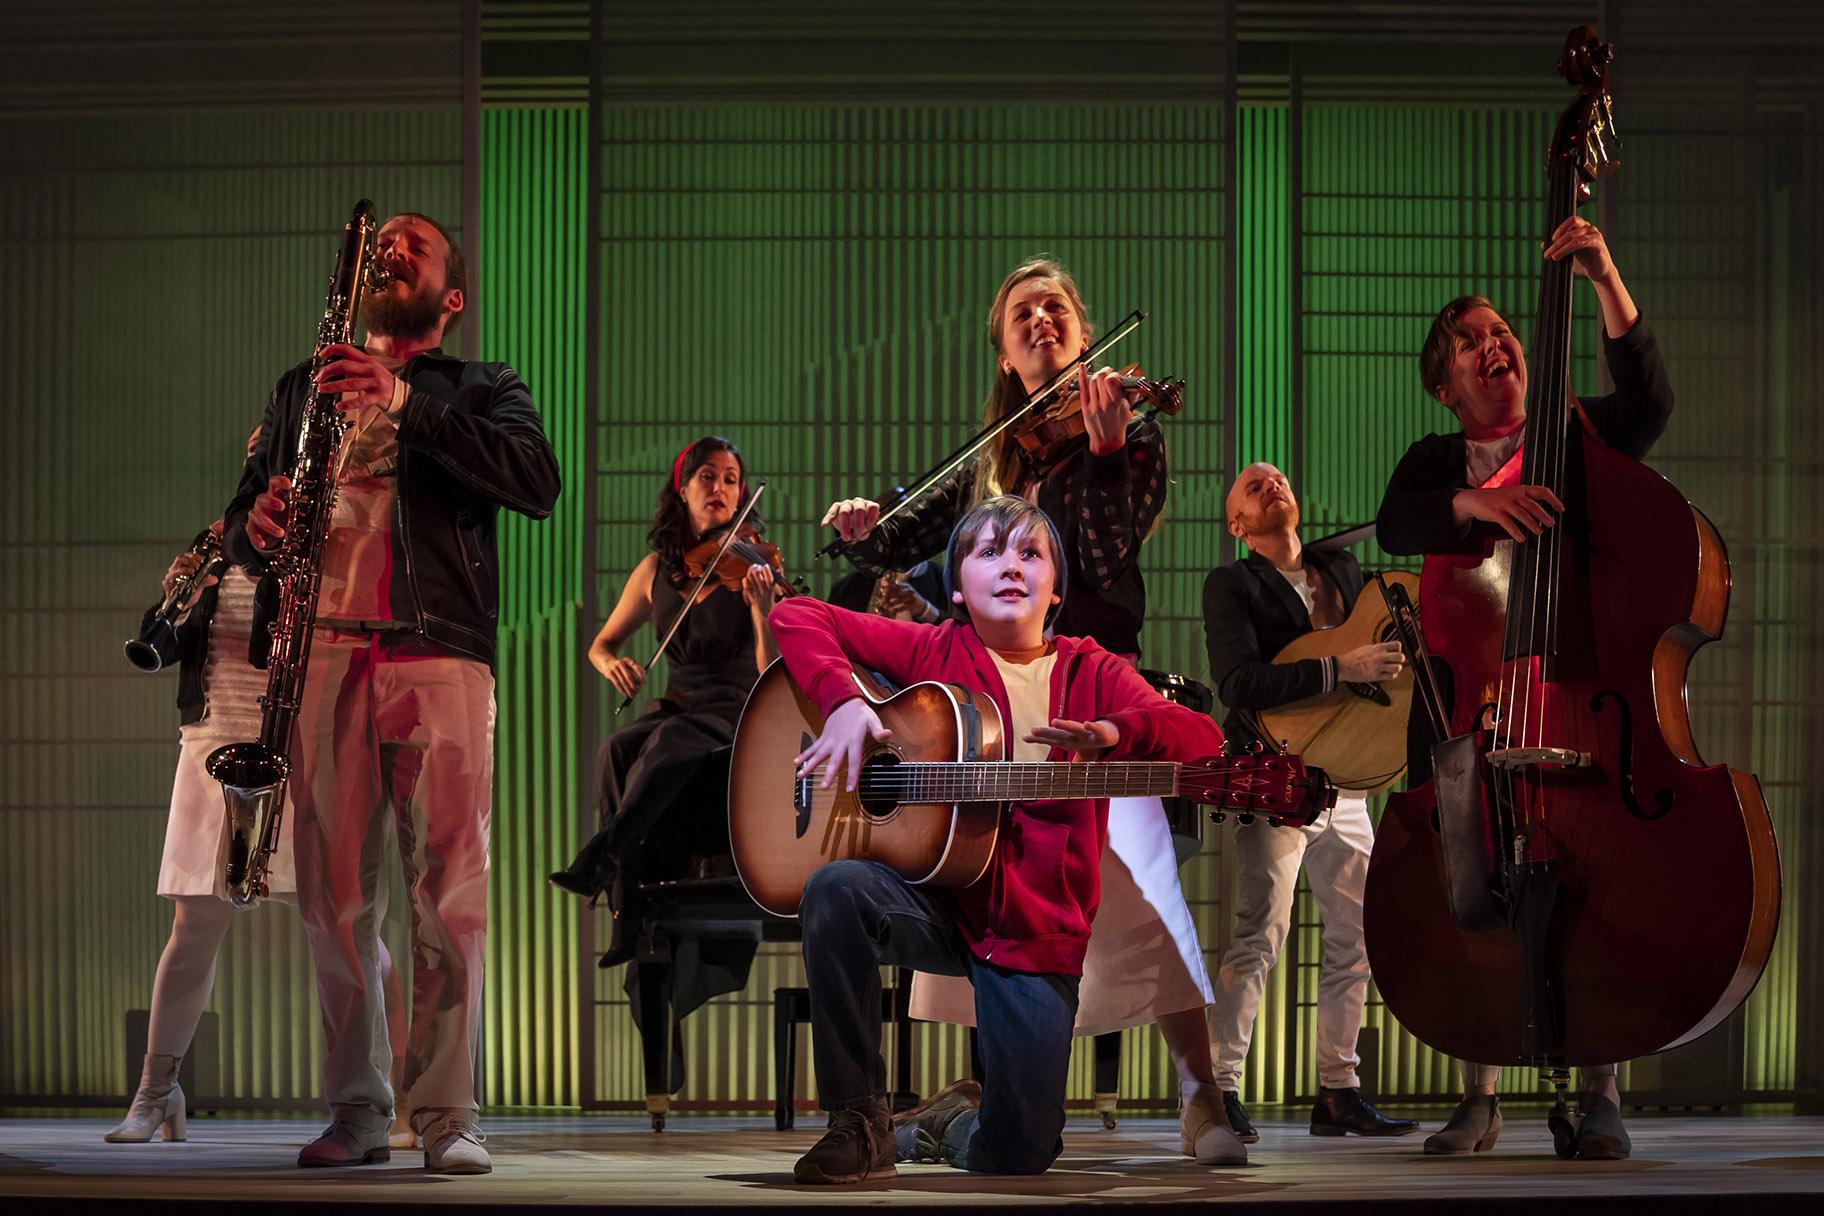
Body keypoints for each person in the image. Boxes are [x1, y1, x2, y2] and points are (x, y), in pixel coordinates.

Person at [820, 258, 1240, 1165]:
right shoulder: (993, 461)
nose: (1042, 320)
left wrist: (1099, 453)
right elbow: (908, 537)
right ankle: (987, 1097)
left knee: (1146, 891)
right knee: (985, 881)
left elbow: (1099, 551)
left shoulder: (1132, 434)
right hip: (986, 705)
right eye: (1022, 315)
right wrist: (865, 520)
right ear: (1006, 357)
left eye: (1057, 309)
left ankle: (1204, 1094)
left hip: (1090, 689)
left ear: (1086, 337)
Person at [224, 211, 560, 1173]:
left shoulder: (481, 386)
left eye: (418, 242)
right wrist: (257, 517)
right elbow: (245, 525)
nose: (394, 247)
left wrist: (405, 400)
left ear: (450, 297)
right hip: (318, 650)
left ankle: (448, 1112)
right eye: (387, 239)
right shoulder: (300, 388)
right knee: (331, 900)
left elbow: (536, 481)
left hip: (435, 647)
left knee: (449, 886)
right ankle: (360, 1108)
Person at [776, 495, 1228, 1183]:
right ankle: (859, 1121)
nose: (1010, 565)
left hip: (1034, 930)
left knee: (1018, 1156)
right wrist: (840, 703)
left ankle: (949, 1119)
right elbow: (795, 614)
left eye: (1030, 552)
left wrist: (1115, 733)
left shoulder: (1092, 670)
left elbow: (1205, 740)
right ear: (957, 586)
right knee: (836, 889)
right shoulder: (934, 648)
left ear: (1057, 588)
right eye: (988, 551)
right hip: (940, 901)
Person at [1376, 214, 1671, 1160]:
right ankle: (1481, 1093)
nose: (1492, 343)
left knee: (1602, 887)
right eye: (1468, 342)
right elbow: (1395, 522)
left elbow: (1652, 399)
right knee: (1476, 891)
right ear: (1444, 383)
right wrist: (1472, 502)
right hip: (1483, 720)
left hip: (1583, 699)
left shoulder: (1584, 438)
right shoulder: (1435, 463)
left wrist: (1603, 274)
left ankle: (1602, 1090)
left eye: (1500, 331)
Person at [106, 516, 415, 1150]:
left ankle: (403, 1095)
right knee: (193, 927)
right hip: (215, 741)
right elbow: (170, 644)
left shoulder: (330, 538)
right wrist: (178, 594)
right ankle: (156, 1091)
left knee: (355, 933)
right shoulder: (217, 542)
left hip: (301, 746)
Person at [1201, 463, 1420, 1144]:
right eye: (1251, 484)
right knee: (1259, 935)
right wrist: (1337, 669)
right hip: (1280, 778)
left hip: (1350, 777)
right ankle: (1220, 1089)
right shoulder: (1232, 584)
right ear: (1237, 525)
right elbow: (1238, 682)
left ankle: (1338, 1090)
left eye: (1278, 478)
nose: (1270, 482)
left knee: (1356, 938)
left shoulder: (1346, 571)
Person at [548, 435, 782, 970]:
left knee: (666, 741)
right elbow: (600, 645)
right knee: (614, 748)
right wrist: (613, 665)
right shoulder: (657, 570)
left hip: (735, 708)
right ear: (682, 489)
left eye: (730, 479)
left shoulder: (753, 567)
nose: (720, 487)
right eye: (707, 476)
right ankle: (627, 916)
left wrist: (763, 608)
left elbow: (772, 673)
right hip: (681, 702)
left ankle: (602, 856)